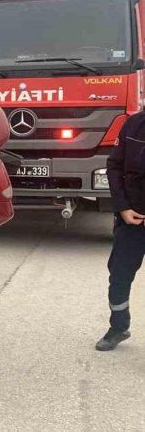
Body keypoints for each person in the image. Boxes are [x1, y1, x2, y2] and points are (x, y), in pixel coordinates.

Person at [96, 111, 145, 351]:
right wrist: (123, 207)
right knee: (119, 276)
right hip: (132, 220)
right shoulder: (133, 124)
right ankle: (118, 327)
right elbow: (114, 166)